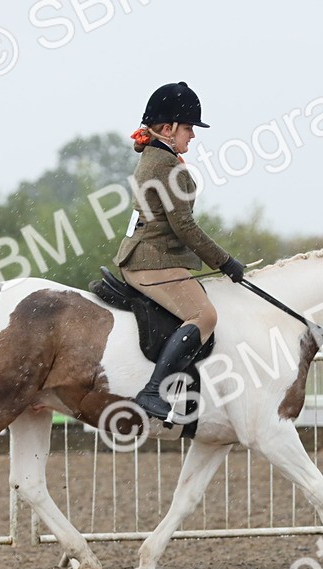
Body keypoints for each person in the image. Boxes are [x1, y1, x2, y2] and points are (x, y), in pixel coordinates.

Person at [114, 81, 246, 420]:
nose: (193, 135)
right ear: (168, 128)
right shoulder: (165, 164)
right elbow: (184, 226)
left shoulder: (158, 157)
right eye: (188, 127)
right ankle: (153, 391)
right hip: (152, 260)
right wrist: (225, 261)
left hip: (150, 255)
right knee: (205, 316)